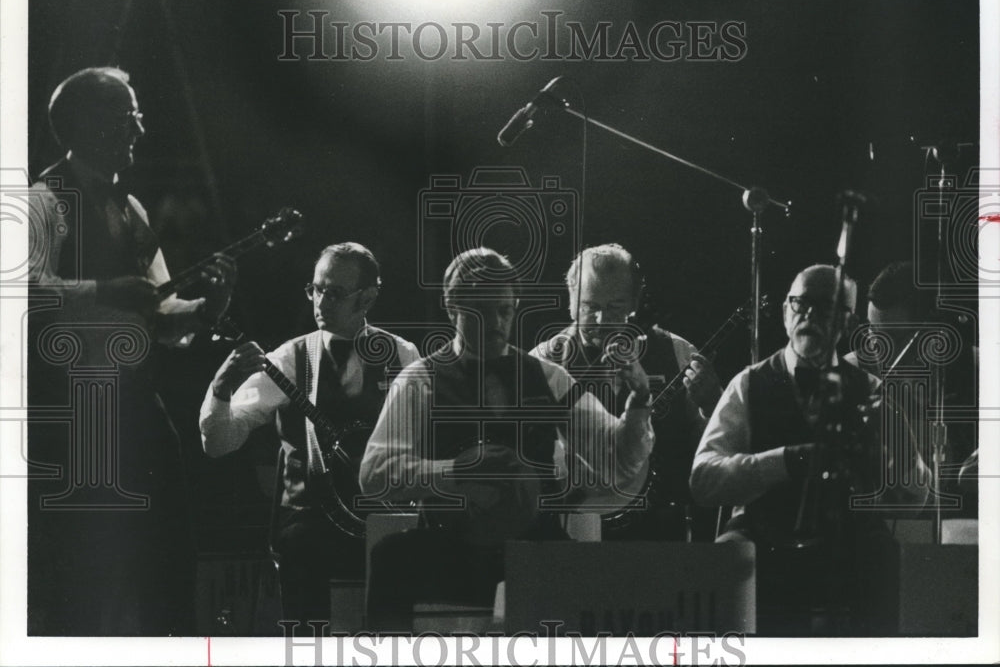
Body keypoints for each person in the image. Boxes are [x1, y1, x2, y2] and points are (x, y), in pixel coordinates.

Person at [27, 66, 237, 636]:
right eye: (129, 116)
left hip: (138, 409)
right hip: (73, 419)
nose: (140, 130)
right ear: (88, 124)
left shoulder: (134, 209)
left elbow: (161, 315)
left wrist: (204, 309)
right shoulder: (41, 202)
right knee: (86, 581)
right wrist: (104, 292)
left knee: (169, 564)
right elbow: (20, 290)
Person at [359, 247, 655, 632]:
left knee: (591, 575)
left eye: (505, 310)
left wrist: (638, 406)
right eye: (481, 310)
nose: (496, 322)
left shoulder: (549, 378)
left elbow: (616, 463)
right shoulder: (420, 380)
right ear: (452, 308)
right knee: (390, 557)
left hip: (533, 547)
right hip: (452, 549)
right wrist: (454, 471)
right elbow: (373, 474)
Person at [690, 264, 928, 635]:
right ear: (786, 311)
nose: (811, 316)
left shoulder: (872, 389)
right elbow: (703, 480)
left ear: (848, 323)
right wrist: (783, 462)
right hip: (764, 531)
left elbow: (912, 502)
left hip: (844, 537)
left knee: (883, 555)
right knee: (726, 558)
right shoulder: (748, 384)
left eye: (826, 308)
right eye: (801, 304)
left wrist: (904, 443)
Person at [200, 242, 419, 625]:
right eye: (315, 289)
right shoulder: (289, 359)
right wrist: (219, 388)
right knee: (303, 547)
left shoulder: (402, 357)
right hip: (310, 521)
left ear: (367, 298)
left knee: (403, 554)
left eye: (334, 292)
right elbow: (218, 443)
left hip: (378, 517)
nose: (321, 301)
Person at [530, 243, 723, 541]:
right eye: (589, 307)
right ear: (571, 301)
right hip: (572, 533)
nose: (600, 320)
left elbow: (711, 452)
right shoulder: (542, 363)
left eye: (614, 308)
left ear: (634, 302)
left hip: (660, 533)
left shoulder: (677, 353)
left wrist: (712, 404)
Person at [845, 260, 978, 516]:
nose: (879, 348)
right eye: (873, 332)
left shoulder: (977, 370)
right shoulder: (850, 374)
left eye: (894, 338)